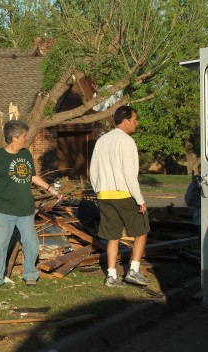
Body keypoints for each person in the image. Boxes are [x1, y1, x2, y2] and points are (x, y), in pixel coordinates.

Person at [0, 120, 61, 288]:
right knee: (1, 245)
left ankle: (30, 274)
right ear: (15, 137)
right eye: (24, 136)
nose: (26, 138)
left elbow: (32, 176)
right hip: (3, 209)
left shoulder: (25, 154)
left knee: (31, 243)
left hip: (25, 209)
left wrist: (49, 187)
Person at [89, 105, 151, 287]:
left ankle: (111, 276)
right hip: (124, 194)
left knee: (112, 236)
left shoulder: (102, 141)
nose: (136, 123)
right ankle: (134, 270)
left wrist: (98, 190)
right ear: (125, 122)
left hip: (104, 194)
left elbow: (93, 171)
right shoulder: (126, 141)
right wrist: (140, 200)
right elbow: (129, 174)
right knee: (142, 231)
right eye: (134, 120)